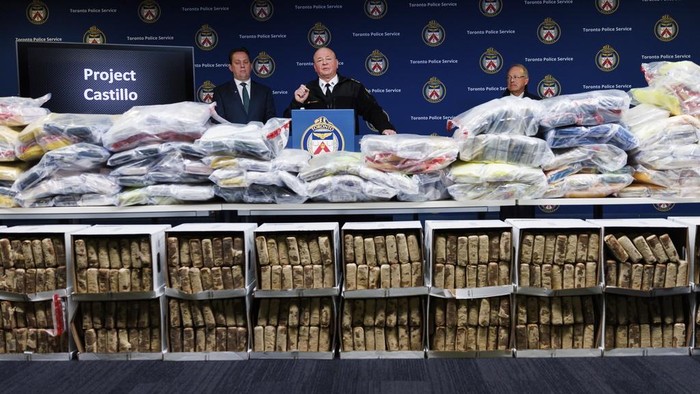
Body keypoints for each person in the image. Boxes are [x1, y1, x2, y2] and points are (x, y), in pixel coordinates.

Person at [284, 47, 396, 135]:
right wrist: (297, 103)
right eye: (319, 60)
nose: (324, 63)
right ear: (314, 67)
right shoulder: (306, 90)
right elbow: (287, 123)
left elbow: (372, 111)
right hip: (316, 148)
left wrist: (385, 127)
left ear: (337, 63)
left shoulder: (353, 87)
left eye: (328, 59)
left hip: (346, 148)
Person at [213, 47, 276, 124]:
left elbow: (271, 122)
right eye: (237, 63)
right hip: (231, 136)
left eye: (246, 62)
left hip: (257, 135)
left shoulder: (265, 91)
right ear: (230, 67)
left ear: (251, 65)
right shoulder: (220, 92)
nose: (242, 65)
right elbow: (218, 121)